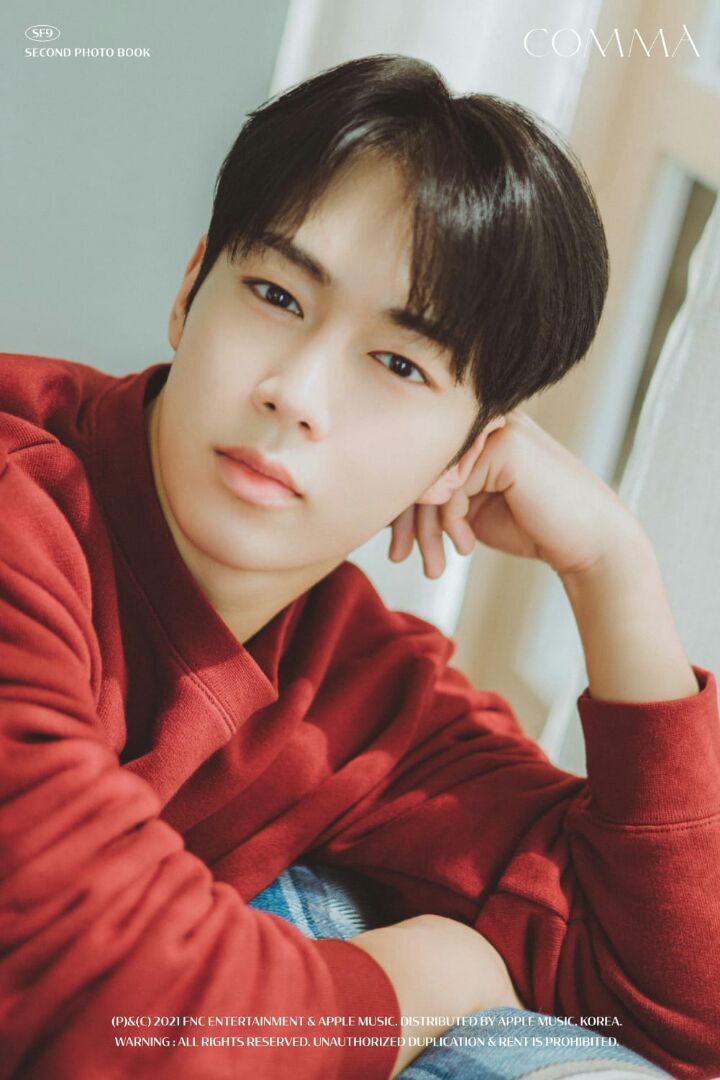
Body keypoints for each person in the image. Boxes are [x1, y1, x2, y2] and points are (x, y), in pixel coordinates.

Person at [0, 53, 718, 1080]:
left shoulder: (364, 694)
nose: (295, 393)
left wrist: (615, 569)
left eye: (397, 363)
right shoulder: (22, 505)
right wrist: (435, 973)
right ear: (190, 290)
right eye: (275, 294)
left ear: (466, 454)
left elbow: (681, 1005)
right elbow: (115, 1008)